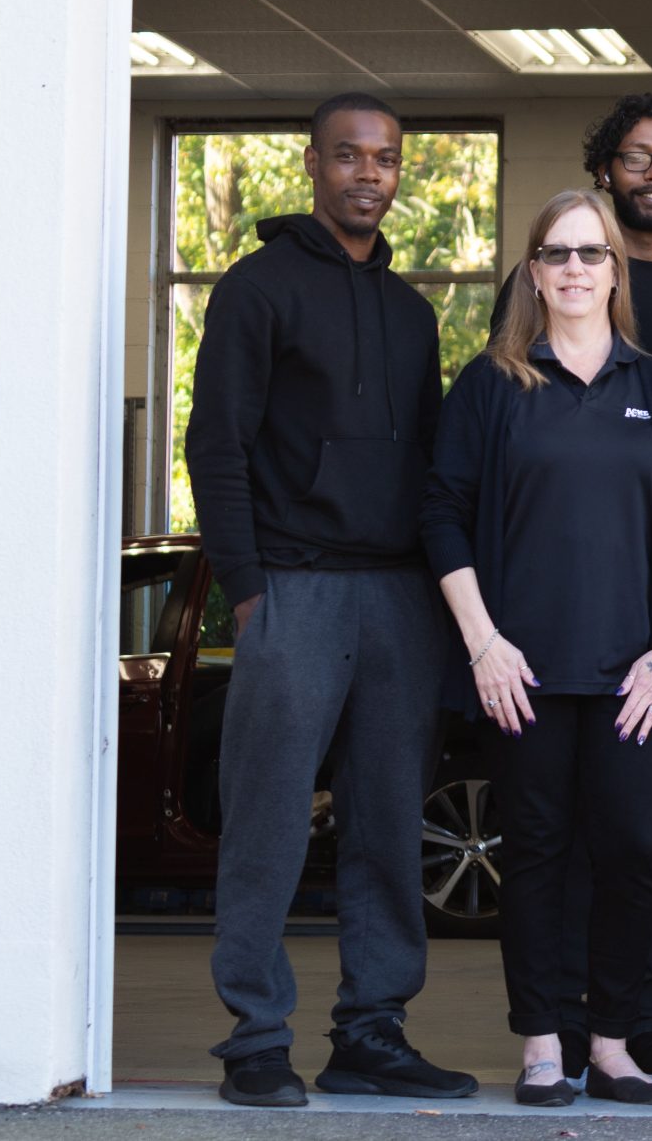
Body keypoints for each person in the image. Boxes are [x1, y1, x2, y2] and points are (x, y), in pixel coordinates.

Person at [185, 92, 476, 1108]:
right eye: (348, 155)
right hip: (293, 590)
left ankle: (372, 1031)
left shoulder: (411, 312)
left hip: (398, 597)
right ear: (312, 164)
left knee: (388, 825)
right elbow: (215, 445)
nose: (368, 174)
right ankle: (255, 1037)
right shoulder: (255, 289)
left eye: (385, 159)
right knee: (267, 822)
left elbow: (433, 464)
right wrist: (247, 591)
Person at [421, 188, 652, 1108]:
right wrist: (483, 645)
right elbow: (441, 515)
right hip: (524, 674)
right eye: (559, 253)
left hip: (636, 676)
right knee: (539, 854)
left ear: (616, 271)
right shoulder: (493, 385)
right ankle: (545, 1044)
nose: (576, 269)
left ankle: (614, 1044)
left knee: (632, 851)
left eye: (593, 253)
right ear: (534, 272)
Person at [487, 94, 652, 1088]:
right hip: (549, 629)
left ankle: (641, 1018)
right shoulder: (516, 352)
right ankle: (556, 1026)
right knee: (552, 834)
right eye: (635, 156)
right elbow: (471, 492)